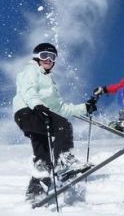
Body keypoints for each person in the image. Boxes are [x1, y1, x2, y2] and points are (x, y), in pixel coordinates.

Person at [13, 43, 97, 202]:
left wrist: (84, 108)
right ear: (37, 57)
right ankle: (63, 162)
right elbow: (28, 89)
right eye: (44, 55)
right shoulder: (31, 70)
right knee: (63, 126)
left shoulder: (50, 82)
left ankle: (36, 191)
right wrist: (37, 105)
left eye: (52, 57)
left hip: (38, 114)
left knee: (43, 155)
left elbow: (61, 108)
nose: (48, 60)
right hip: (28, 111)